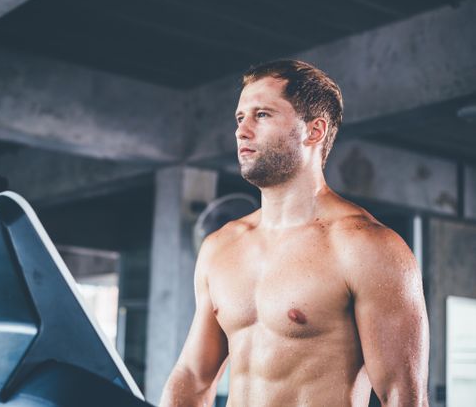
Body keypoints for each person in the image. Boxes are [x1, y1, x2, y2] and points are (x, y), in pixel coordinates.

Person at [159, 60, 429, 407]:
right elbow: (193, 378)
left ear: (314, 131)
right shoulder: (221, 246)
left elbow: (403, 398)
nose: (242, 131)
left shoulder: (366, 246)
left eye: (262, 115)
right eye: (240, 118)